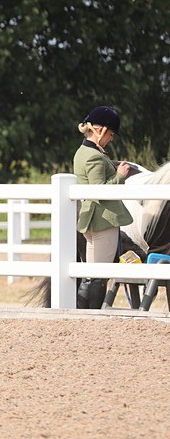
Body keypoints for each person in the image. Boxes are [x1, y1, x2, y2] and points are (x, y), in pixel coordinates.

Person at [73, 106, 133, 309]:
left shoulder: (83, 152)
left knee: (91, 273)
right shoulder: (94, 156)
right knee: (99, 275)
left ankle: (84, 313)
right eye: (111, 134)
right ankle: (92, 315)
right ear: (101, 130)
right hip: (103, 220)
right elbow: (99, 190)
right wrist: (120, 175)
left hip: (90, 219)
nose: (111, 138)